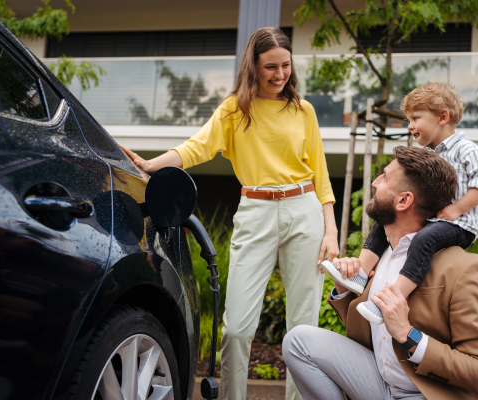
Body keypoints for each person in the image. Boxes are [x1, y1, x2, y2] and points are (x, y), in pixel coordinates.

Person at [119, 27, 338, 400]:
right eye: (270, 67)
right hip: (256, 212)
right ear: (253, 66)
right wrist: (150, 165)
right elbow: (196, 148)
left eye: (285, 66)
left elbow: (321, 174)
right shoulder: (236, 109)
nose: (280, 74)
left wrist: (330, 231)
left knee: (303, 326)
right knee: (236, 327)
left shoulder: (304, 110)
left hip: (305, 211)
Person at [283, 146, 478, 400]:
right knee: (298, 341)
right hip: (377, 383)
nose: (375, 183)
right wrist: (343, 291)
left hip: (426, 393)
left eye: (385, 178)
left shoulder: (467, 268)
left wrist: (409, 335)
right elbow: (373, 334)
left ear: (403, 200)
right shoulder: (380, 255)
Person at [321, 82, 478, 324]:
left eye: (416, 118)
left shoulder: (467, 150)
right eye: (409, 119)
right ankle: (360, 273)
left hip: (458, 225)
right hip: (434, 218)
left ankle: (393, 298)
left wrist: (456, 210)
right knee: (384, 219)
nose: (410, 125)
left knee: (426, 239)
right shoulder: (432, 154)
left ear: (442, 117)